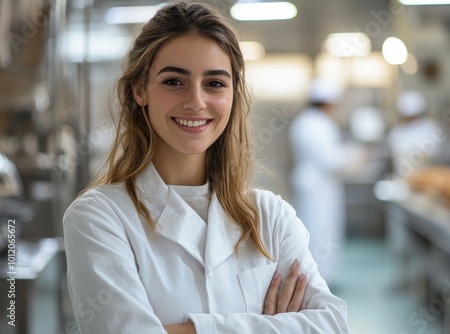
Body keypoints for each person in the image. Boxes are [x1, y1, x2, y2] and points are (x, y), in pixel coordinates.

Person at [62, 2, 349, 334]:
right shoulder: (98, 219)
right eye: (173, 81)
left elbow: (331, 324)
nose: (196, 101)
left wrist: (188, 329)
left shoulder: (272, 217)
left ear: (232, 94)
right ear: (140, 90)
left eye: (214, 83)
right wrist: (272, 325)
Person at [288, 79, 357, 286]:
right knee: (320, 231)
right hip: (319, 188)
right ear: (327, 103)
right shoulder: (317, 124)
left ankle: (315, 278)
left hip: (317, 186)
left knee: (317, 230)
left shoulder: (306, 121)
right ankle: (317, 280)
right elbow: (329, 160)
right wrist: (354, 154)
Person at [387, 90, 443, 178]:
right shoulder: (397, 132)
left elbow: (435, 152)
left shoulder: (429, 128)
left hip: (426, 179)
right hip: (402, 178)